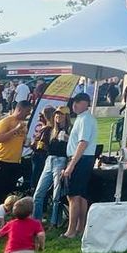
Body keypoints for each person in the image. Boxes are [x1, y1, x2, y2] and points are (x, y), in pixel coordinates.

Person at [61, 93, 97, 239]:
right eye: (73, 102)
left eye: (78, 102)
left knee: (73, 196)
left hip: (80, 159)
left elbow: (83, 143)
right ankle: (80, 227)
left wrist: (71, 165)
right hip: (83, 158)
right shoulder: (82, 119)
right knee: (81, 195)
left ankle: (71, 230)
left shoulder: (86, 119)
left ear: (86, 103)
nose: (74, 105)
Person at [32, 108, 68, 226]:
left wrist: (67, 138)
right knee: (38, 193)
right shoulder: (52, 130)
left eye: (61, 114)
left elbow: (73, 146)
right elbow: (44, 146)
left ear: (66, 116)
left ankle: (54, 223)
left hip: (61, 160)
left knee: (56, 195)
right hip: (50, 160)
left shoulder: (69, 130)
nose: (58, 116)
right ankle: (36, 221)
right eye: (56, 114)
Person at [0, 100, 32, 201]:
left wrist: (26, 143)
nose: (28, 114)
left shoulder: (23, 124)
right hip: (2, 160)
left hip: (15, 162)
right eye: (27, 111)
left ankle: (2, 213)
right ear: (19, 109)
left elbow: (22, 140)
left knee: (8, 190)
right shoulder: (6, 121)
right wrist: (15, 129)